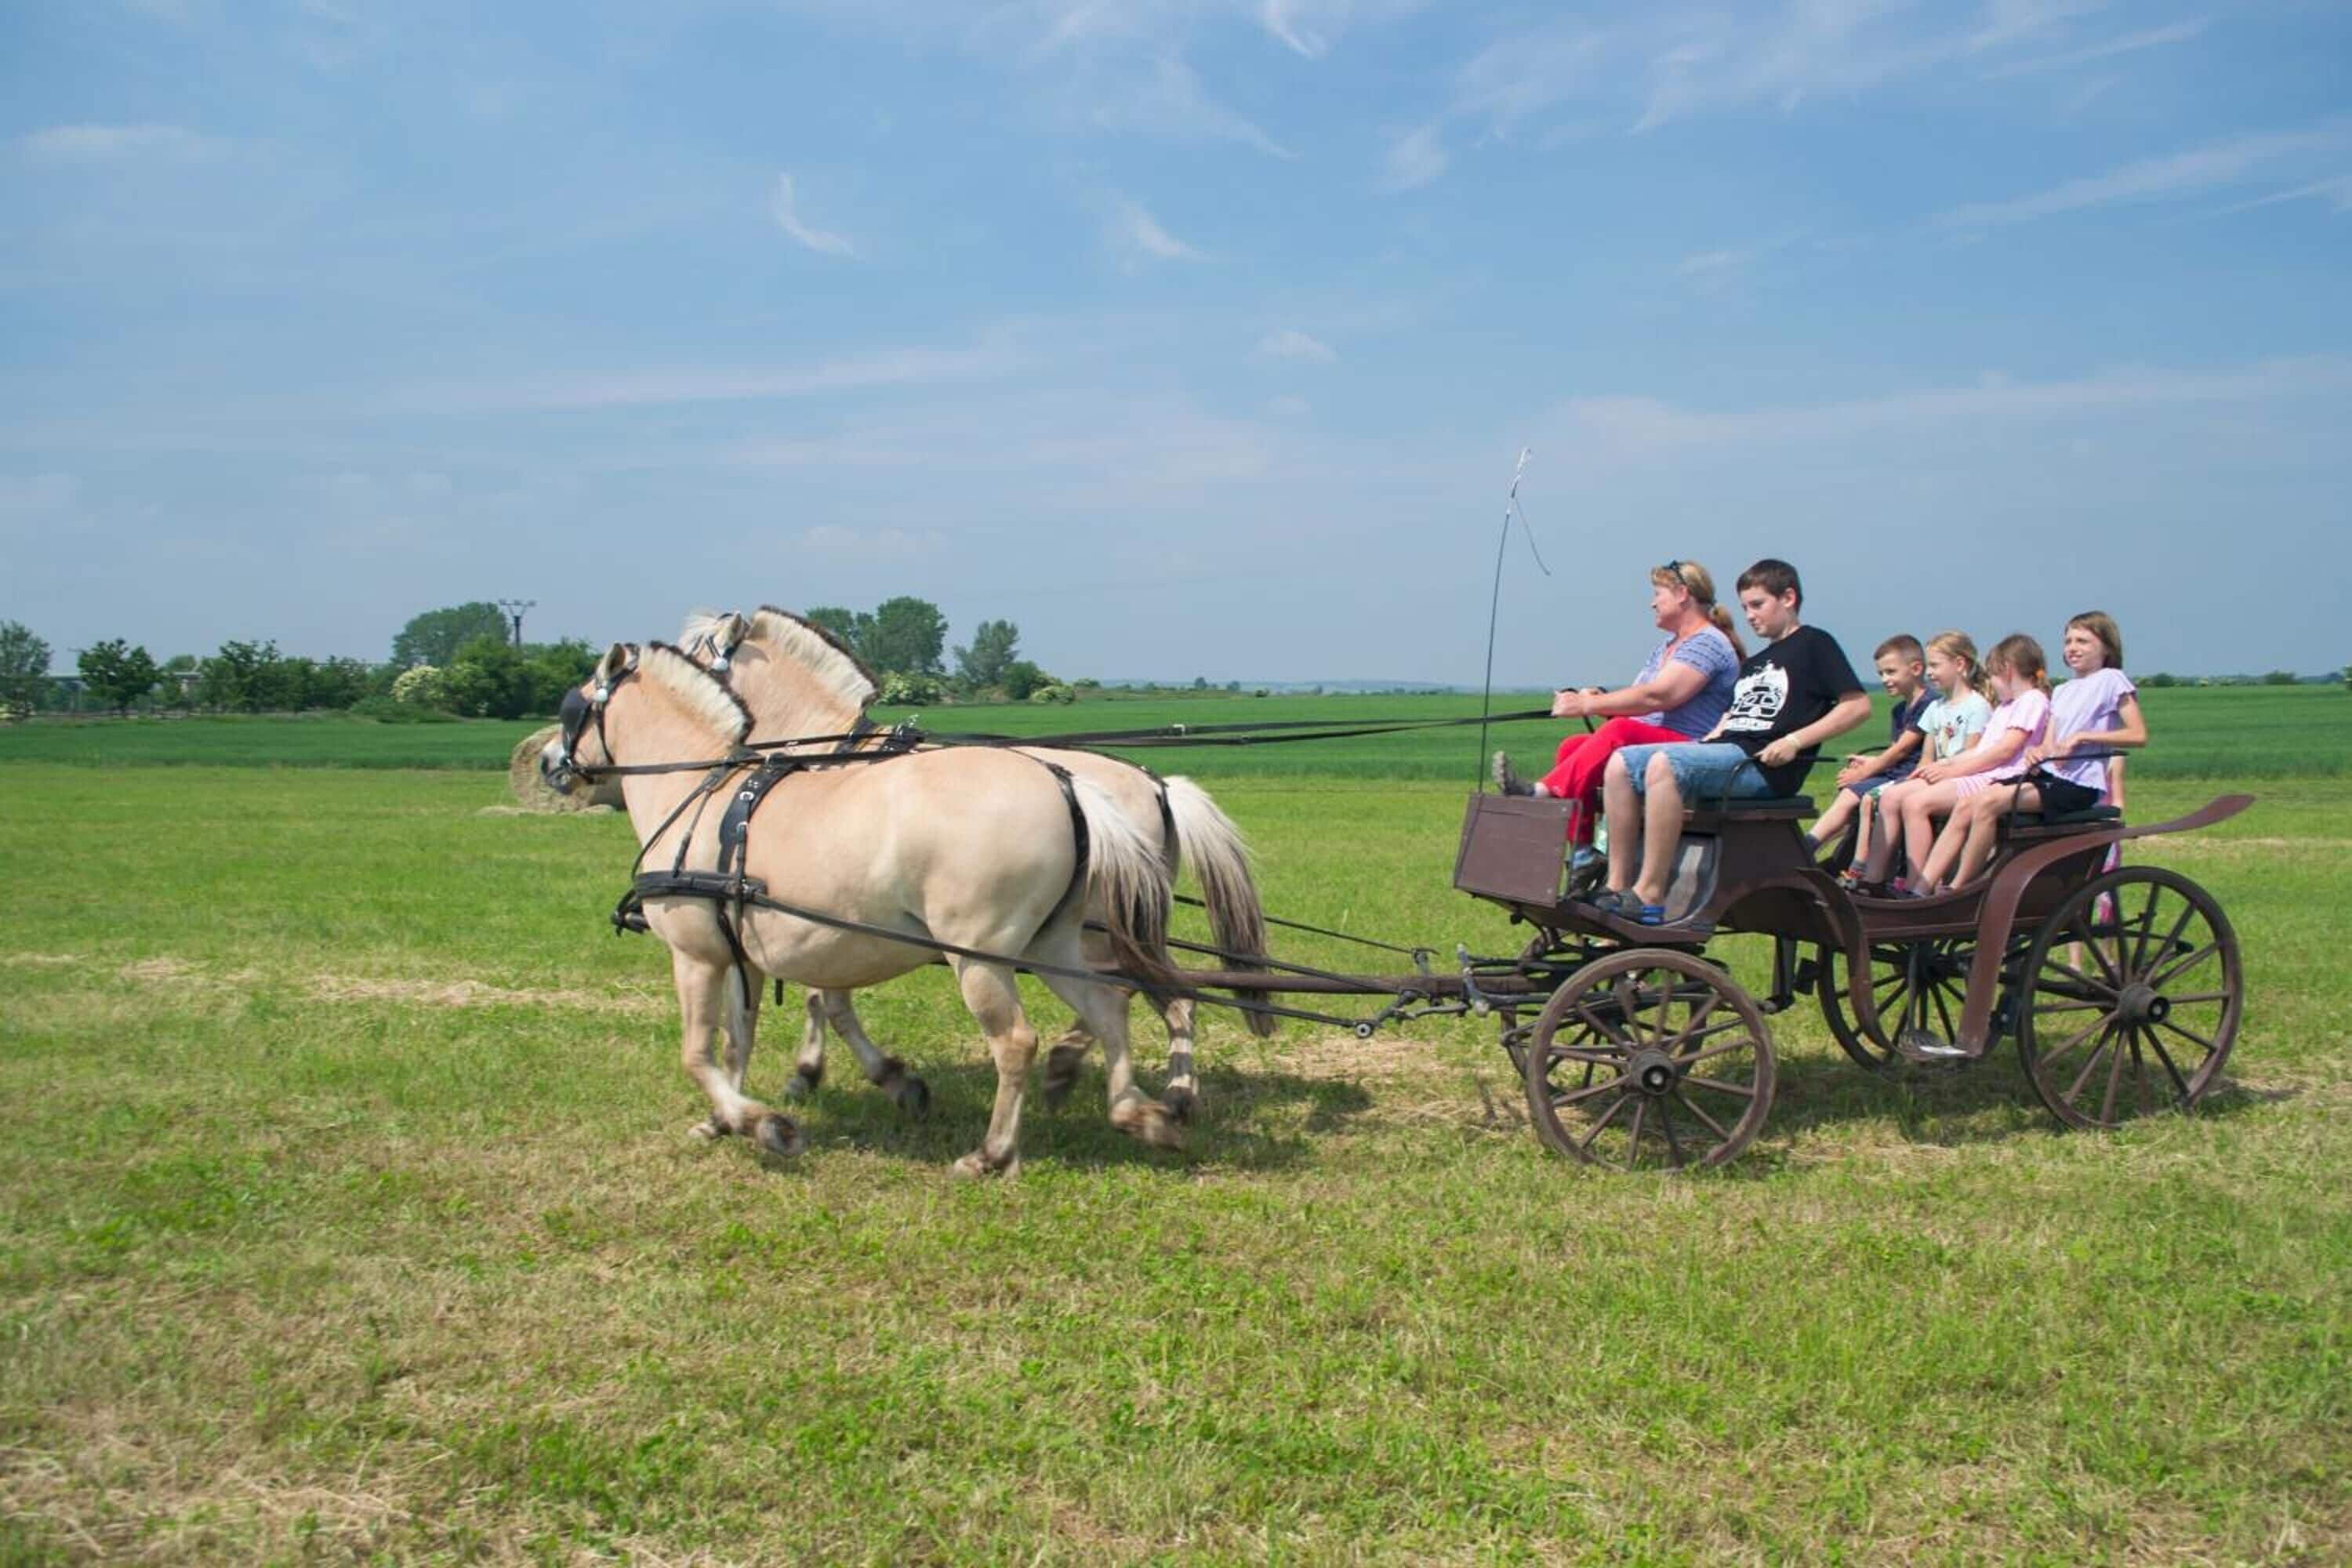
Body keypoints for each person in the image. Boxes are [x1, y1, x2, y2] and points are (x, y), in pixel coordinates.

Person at [1591, 559, 1872, 924]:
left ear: (1788, 598)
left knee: (1664, 765)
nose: (1750, 616)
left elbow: (1858, 706)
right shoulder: (1755, 662)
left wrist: (1795, 740)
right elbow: (1732, 716)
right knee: (1622, 763)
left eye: (1757, 605)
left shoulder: (1814, 644)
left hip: (1764, 765)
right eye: (1745, 608)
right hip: (1727, 752)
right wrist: (1704, 743)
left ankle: (1650, 894)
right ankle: (1616, 887)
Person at [1491, 560, 1743, 884]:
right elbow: (1641, 703)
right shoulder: (1667, 648)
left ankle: (1542, 791)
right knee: (1573, 747)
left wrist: (1587, 704)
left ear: (1682, 594)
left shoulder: (1706, 642)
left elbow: (1660, 696)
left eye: (1658, 594)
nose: (1652, 603)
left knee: (1620, 731)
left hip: (1690, 749)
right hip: (1657, 740)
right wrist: (1603, 701)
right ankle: (1583, 851)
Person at [1940, 611, 2146, 888]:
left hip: (2079, 784)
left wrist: (2083, 737)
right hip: (2050, 777)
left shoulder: (2112, 679)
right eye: (2068, 641)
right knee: (1970, 801)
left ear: (2106, 648)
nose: (2073, 648)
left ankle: (1961, 887)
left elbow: (2138, 735)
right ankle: (1928, 885)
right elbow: (2048, 744)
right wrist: (2036, 752)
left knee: (1988, 803)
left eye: (2083, 641)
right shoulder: (2062, 691)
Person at [1861, 633, 2051, 896]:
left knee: (1916, 803)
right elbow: (1983, 751)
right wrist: (1946, 765)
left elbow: (2004, 751)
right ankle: (1882, 880)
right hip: (1987, 772)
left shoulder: (2032, 700)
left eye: (1993, 675)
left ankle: (1917, 886)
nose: (1990, 682)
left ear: (2008, 670)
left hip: (2001, 776)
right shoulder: (2007, 706)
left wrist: (1952, 771)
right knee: (1895, 797)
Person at [1838, 630, 1990, 887]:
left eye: (1935, 666)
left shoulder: (1977, 706)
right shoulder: (1936, 708)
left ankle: (1914, 882)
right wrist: (1910, 780)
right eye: (1929, 666)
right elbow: (1926, 758)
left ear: (1960, 664)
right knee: (1889, 797)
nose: (1929, 673)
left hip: (1960, 777)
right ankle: (1872, 877)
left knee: (1912, 803)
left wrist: (1937, 773)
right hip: (1936, 775)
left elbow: (1972, 755)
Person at [1808, 634, 1931, 857]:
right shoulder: (1899, 710)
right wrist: (1870, 762)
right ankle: (1825, 851)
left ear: (1916, 668)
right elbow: (1899, 752)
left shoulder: (1928, 705)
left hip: (1912, 776)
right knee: (1849, 794)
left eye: (1891, 672)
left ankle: (1811, 846)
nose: (1885, 679)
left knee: (1851, 795)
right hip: (1898, 772)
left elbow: (1901, 750)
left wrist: (1863, 773)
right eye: (1881, 674)